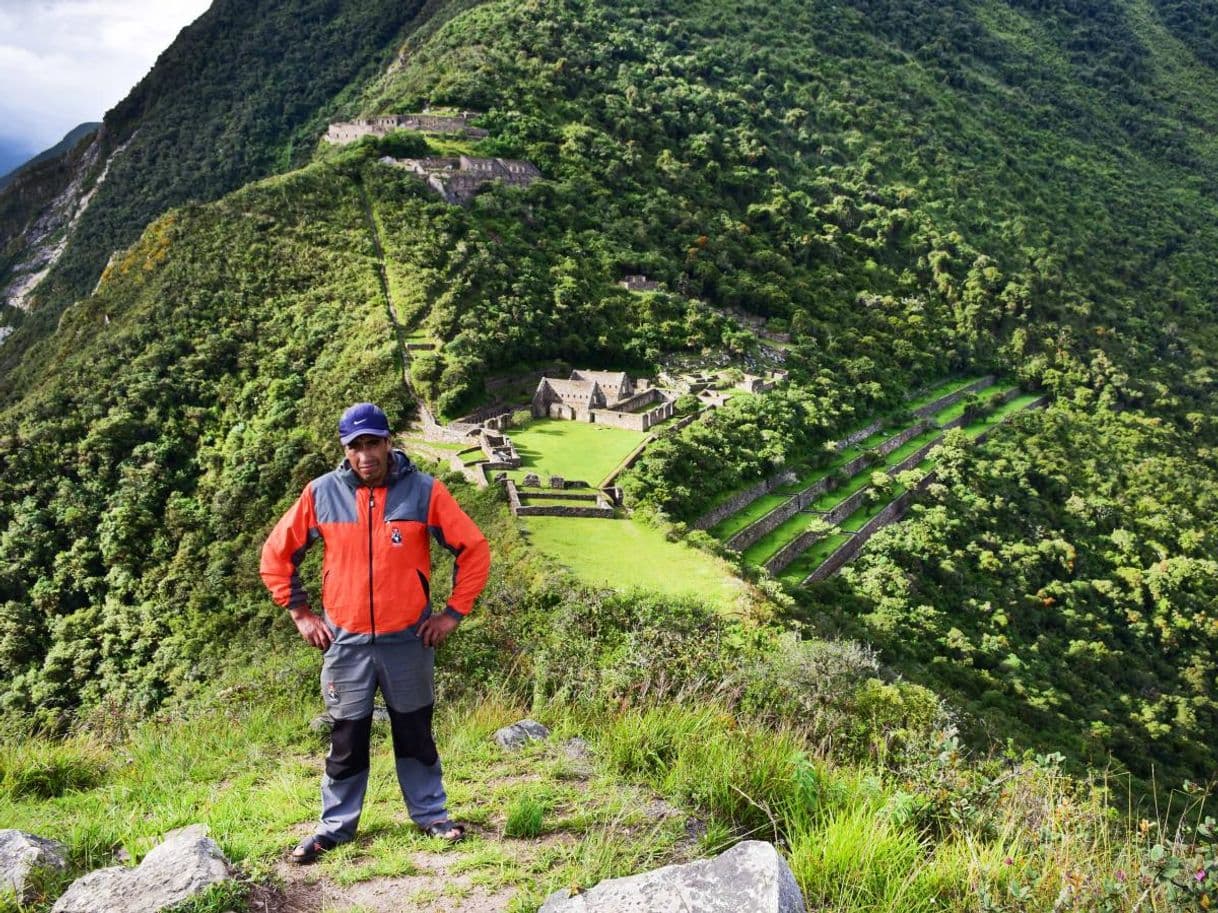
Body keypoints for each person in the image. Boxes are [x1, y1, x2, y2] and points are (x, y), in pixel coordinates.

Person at [260, 402, 491, 863]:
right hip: (345, 643)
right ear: (345, 450)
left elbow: (474, 549)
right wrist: (302, 614)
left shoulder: (424, 491)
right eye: (355, 446)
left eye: (373, 443)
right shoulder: (321, 493)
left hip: (408, 640)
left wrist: (451, 614)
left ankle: (432, 816)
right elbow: (276, 554)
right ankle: (335, 828)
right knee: (346, 738)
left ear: (388, 443)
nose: (365, 454)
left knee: (415, 731)